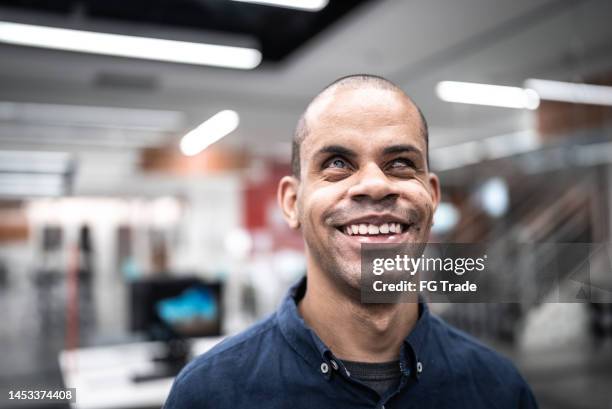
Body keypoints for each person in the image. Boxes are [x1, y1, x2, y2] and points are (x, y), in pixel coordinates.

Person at [163, 74, 538, 408]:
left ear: (433, 198)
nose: (375, 184)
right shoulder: (209, 394)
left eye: (400, 163)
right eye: (337, 163)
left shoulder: (499, 389)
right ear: (292, 203)